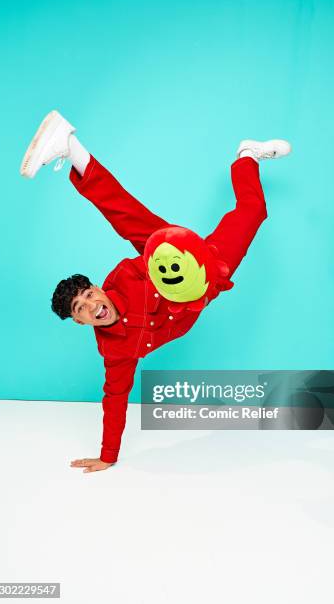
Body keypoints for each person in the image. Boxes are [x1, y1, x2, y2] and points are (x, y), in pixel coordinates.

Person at [20, 110, 291, 473]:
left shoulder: (127, 276)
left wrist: (159, 248)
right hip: (209, 282)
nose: (90, 306)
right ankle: (247, 155)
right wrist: (108, 456)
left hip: (187, 257)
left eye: (88, 296)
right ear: (80, 322)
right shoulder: (115, 351)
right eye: (80, 310)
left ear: (98, 289)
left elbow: (124, 213)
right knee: (255, 209)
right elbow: (114, 399)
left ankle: (71, 147)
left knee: (131, 219)